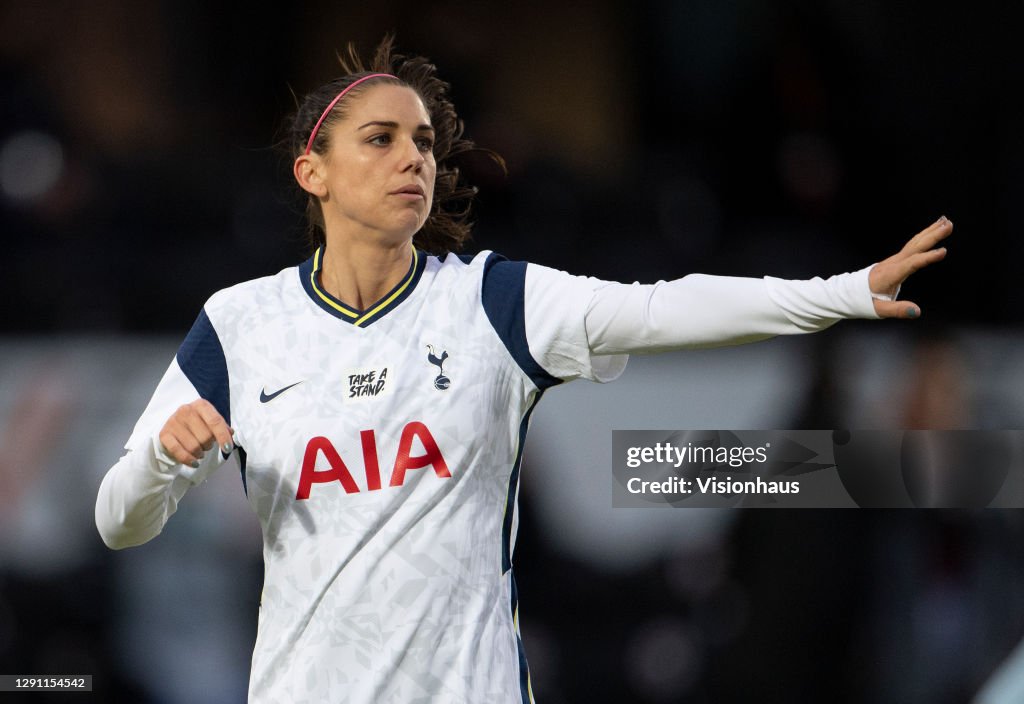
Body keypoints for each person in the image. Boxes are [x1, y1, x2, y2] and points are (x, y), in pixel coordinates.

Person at [94, 36, 951, 704]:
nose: (413, 159)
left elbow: (662, 308)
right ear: (310, 171)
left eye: (425, 143)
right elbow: (117, 522)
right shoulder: (241, 325)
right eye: (382, 139)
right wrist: (163, 462)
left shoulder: (493, 304)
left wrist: (839, 292)